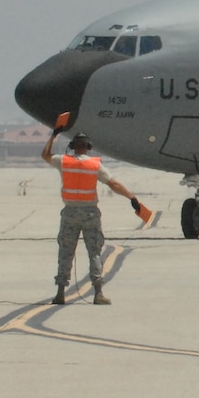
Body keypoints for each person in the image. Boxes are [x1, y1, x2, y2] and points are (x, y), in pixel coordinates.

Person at [43, 120, 153, 306]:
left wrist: (54, 135)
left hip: (70, 213)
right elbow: (113, 184)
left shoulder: (64, 161)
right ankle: (98, 293)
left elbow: (45, 155)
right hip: (91, 214)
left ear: (72, 146)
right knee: (94, 252)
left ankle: (60, 292)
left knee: (65, 252)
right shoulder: (94, 165)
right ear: (88, 147)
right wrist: (132, 198)